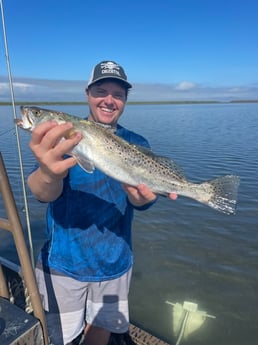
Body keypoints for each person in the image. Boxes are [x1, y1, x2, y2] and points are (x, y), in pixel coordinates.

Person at [28, 60, 177, 345]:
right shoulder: (64, 136)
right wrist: (48, 171)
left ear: (125, 100)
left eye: (118, 94)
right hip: (64, 263)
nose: (109, 100)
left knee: (102, 329)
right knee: (60, 336)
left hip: (115, 261)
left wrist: (142, 200)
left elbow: (143, 199)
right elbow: (40, 192)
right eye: (101, 91)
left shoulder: (136, 141)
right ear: (87, 94)